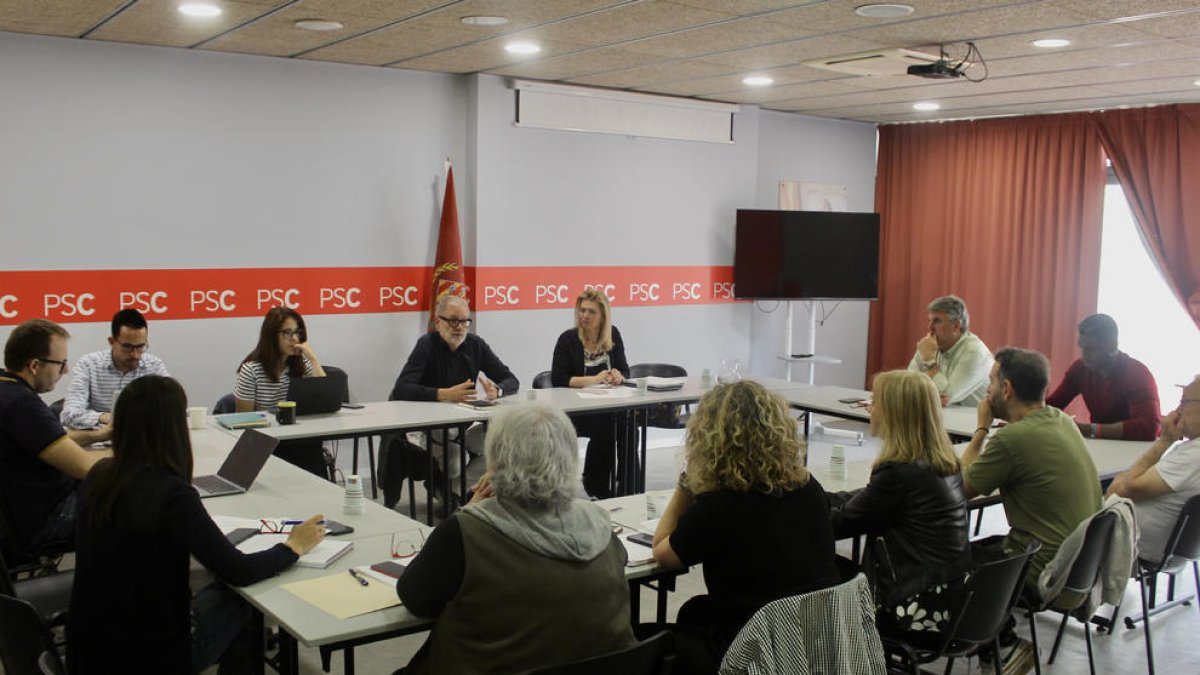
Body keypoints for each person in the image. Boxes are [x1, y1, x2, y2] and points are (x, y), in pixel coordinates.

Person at [66, 375, 325, 674]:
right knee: (240, 599)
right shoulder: (172, 495)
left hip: (88, 652)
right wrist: (293, 546)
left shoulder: (100, 474)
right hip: (150, 659)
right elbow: (239, 571)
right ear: (174, 428)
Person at [395, 403, 634, 674]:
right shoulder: (599, 521)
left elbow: (415, 598)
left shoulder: (465, 531)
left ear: (495, 459)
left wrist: (470, 510)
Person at [650, 380, 840, 675]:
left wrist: (685, 484)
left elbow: (662, 552)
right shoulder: (810, 489)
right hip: (812, 644)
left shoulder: (719, 507)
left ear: (709, 440)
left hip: (751, 651)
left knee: (662, 637)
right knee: (694, 611)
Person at [828, 369, 969, 637]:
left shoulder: (898, 472)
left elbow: (839, 524)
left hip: (910, 609)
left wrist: (793, 511)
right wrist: (821, 497)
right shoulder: (941, 463)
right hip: (948, 597)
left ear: (895, 413)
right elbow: (868, 499)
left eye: (876, 402)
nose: (871, 408)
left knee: (814, 567)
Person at [961, 347, 1102, 588]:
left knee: (940, 558)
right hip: (1079, 570)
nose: (987, 391)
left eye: (991, 382)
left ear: (1006, 389)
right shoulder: (1062, 420)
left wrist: (981, 430)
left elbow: (959, 490)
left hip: (1039, 571)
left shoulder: (1012, 439)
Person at [386, 295, 519, 507]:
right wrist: (443, 394)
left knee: (501, 448)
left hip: (464, 424)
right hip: (432, 427)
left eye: (465, 321)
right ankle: (444, 490)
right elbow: (401, 388)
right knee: (454, 462)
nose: (459, 327)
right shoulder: (426, 345)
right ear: (438, 322)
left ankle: (456, 493)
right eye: (453, 320)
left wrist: (498, 390)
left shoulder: (476, 345)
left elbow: (511, 379)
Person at [0, 319, 110, 559]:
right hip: (43, 520)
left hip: (17, 514)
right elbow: (87, 468)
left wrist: (101, 435)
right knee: (134, 505)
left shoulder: (6, 390)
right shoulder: (22, 404)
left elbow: (51, 441)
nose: (65, 371)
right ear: (35, 365)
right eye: (61, 363)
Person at [1108, 375, 1200, 562]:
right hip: (1177, 550)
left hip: (1138, 545)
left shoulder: (1194, 455)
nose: (1177, 411)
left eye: (1184, 403)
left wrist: (1166, 440)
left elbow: (1125, 489)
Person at [551, 288, 631, 498]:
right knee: (605, 425)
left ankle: (629, 485)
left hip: (607, 406)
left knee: (628, 426)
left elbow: (625, 368)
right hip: (577, 412)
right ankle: (598, 486)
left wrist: (618, 376)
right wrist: (594, 380)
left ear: (603, 315)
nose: (584, 316)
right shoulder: (567, 339)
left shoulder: (613, 335)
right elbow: (559, 379)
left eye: (591, 312)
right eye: (582, 310)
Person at [235, 307, 329, 477]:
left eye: (297, 332)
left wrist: (312, 357)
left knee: (312, 446)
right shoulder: (251, 370)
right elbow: (243, 419)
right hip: (267, 442)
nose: (294, 339)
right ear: (271, 336)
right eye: (287, 333)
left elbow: (325, 394)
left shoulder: (302, 364)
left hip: (297, 438)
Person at [1046, 313, 1161, 441]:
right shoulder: (1080, 369)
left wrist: (1089, 430)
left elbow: (1150, 427)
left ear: (1112, 345)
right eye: (1082, 348)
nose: (1084, 356)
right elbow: (1053, 405)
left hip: (1135, 449)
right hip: (1101, 445)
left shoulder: (1136, 374)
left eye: (1090, 350)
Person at [60, 308, 170, 429]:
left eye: (140, 347)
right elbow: (69, 415)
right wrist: (105, 417)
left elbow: (172, 408)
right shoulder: (88, 365)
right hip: (96, 443)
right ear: (112, 342)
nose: (135, 354)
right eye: (127, 347)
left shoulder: (154, 366)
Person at [907, 295, 993, 406]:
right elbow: (908, 385)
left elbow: (947, 396)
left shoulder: (975, 352)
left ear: (956, 326)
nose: (930, 327)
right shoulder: (929, 345)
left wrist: (930, 362)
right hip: (945, 416)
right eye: (930, 321)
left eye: (937, 321)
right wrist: (929, 395)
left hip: (977, 420)